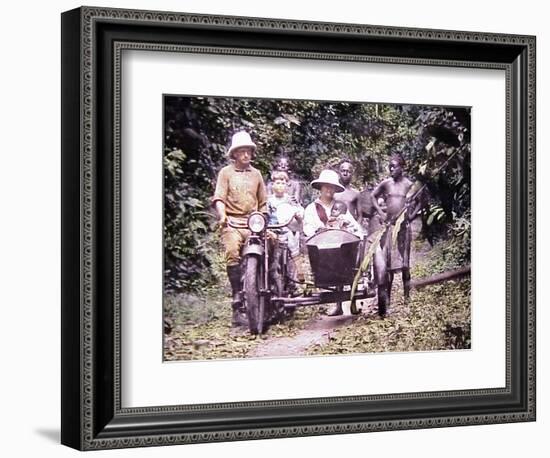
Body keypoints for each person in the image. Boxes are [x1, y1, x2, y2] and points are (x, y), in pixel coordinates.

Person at [211, 131, 268, 327]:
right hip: (233, 223)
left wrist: (262, 217)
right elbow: (219, 198)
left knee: (274, 243)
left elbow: (263, 202)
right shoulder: (225, 173)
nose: (245, 155)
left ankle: (271, 286)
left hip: (254, 223)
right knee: (232, 252)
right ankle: (237, 296)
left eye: (248, 152)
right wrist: (223, 215)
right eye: (241, 152)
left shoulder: (256, 174)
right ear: (234, 154)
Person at [303, 169, 362, 316]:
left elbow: (354, 227)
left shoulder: (341, 207)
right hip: (321, 251)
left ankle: (343, 302)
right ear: (320, 188)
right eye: (326, 186)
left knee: (343, 254)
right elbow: (308, 228)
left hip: (340, 251)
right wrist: (320, 230)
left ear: (336, 189)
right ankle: (336, 304)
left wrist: (349, 228)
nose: (329, 190)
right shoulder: (311, 209)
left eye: (332, 187)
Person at [371, 154, 422, 315]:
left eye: (394, 166)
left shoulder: (409, 185)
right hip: (390, 226)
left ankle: (407, 299)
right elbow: (373, 196)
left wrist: (412, 215)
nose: (392, 169)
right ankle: (388, 300)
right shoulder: (386, 184)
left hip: (404, 228)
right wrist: (380, 212)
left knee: (405, 264)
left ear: (402, 167)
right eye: (390, 167)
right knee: (389, 266)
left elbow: (421, 199)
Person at [267, 171, 305, 281]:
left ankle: (299, 272)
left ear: (286, 186)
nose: (280, 186)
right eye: (277, 183)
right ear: (273, 185)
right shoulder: (269, 200)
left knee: (293, 244)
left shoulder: (290, 199)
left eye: (283, 183)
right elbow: (265, 213)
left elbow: (298, 209)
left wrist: (298, 215)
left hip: (287, 227)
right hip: (272, 228)